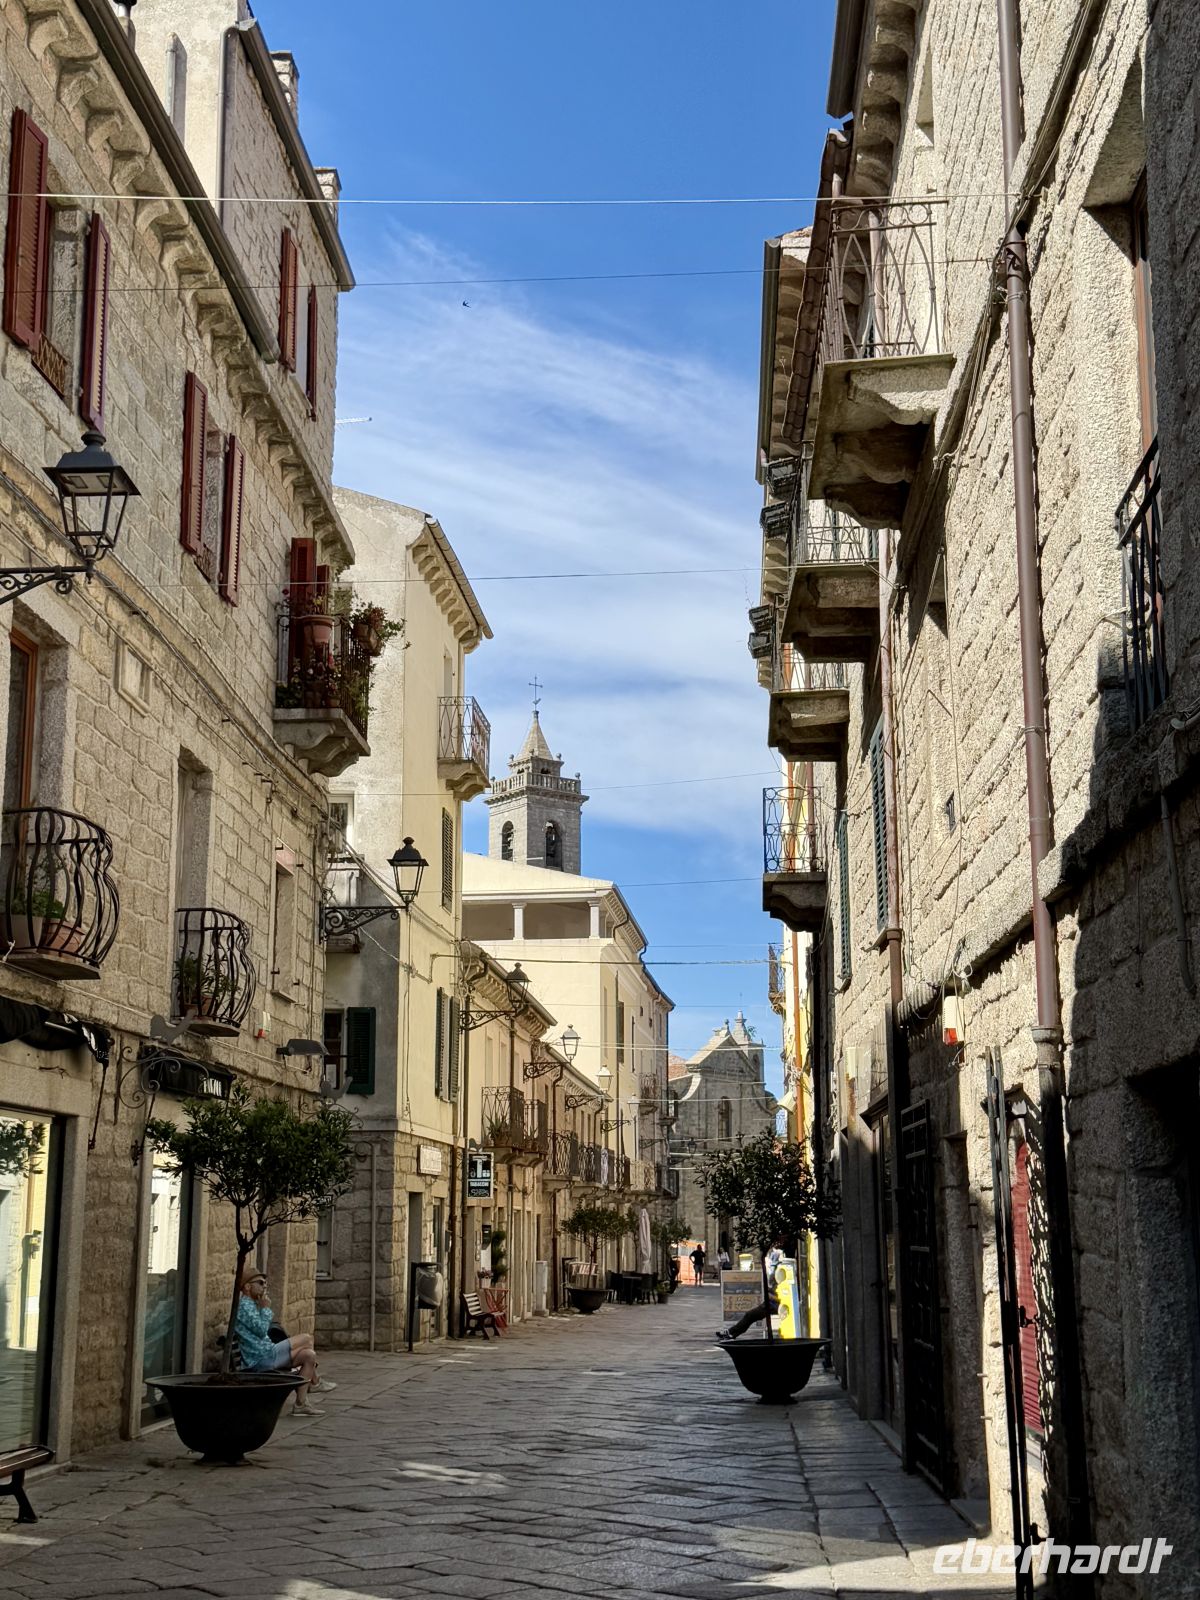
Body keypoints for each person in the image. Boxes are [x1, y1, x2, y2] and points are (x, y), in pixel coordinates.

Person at [235, 1265, 335, 1414]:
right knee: (307, 1339)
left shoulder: (252, 1305)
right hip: (262, 1359)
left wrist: (262, 1308)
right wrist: (265, 1309)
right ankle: (314, 1382)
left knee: (309, 1355)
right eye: (260, 1283)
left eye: (265, 1283)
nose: (264, 1286)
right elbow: (261, 1331)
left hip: (268, 1354)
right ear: (247, 1287)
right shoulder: (245, 1306)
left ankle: (301, 1404)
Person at [716, 1238, 786, 1341]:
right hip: (771, 1301)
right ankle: (731, 1333)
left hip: (774, 1303)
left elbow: (781, 1295)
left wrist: (770, 1295)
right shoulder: (775, 1259)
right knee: (750, 1315)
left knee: (750, 1315)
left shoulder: (780, 1262)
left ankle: (731, 1333)